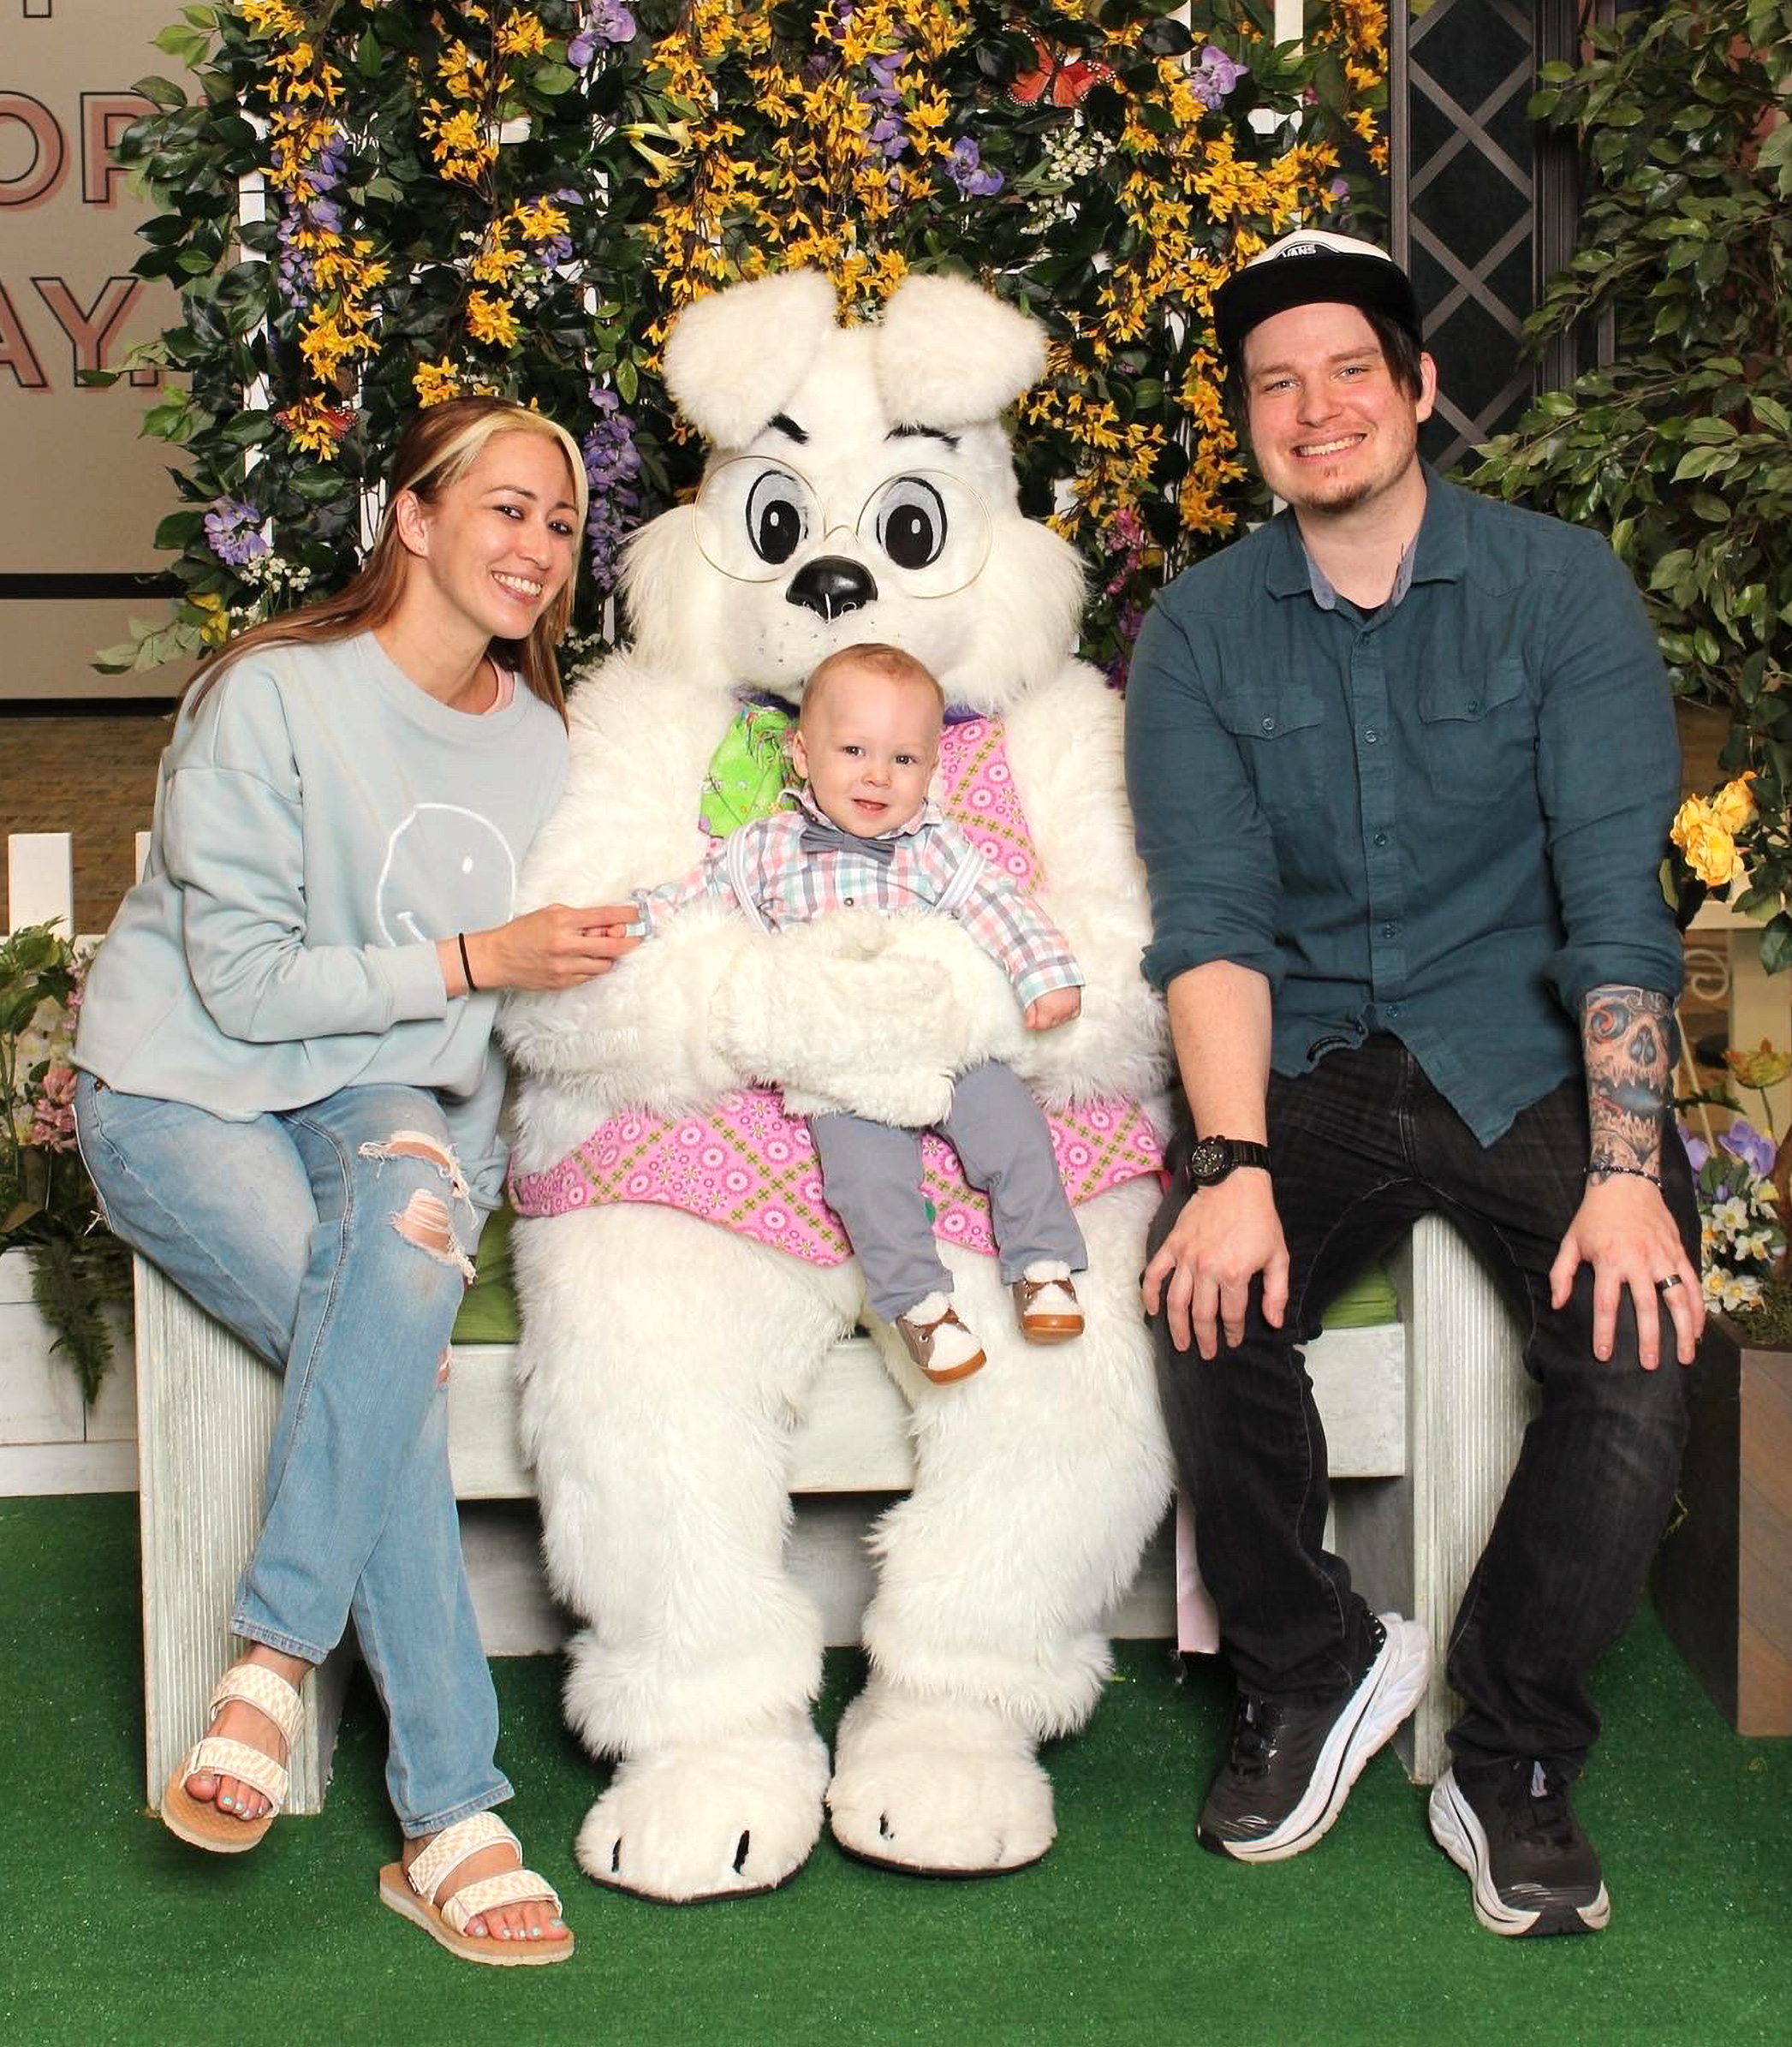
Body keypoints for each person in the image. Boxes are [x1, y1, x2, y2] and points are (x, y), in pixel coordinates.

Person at [1123, 229, 1703, 1938]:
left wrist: (1618, 1167)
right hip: (1300, 1053)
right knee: (1201, 1292)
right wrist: (1227, 1157)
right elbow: (1212, 920)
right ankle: (1309, 1665)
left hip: (1516, 1047)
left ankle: (1508, 1748)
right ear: (1246, 421)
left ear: (1417, 387)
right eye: (1272, 384)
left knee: (1636, 1335)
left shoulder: (1555, 587)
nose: (1312, 410)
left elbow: (1612, 902)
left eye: (1346, 371)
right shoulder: (1203, 630)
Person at [72, 396, 640, 1967]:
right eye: (506, 509)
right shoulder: (270, 698)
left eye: (558, 522)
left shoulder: (543, 749)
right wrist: (476, 955)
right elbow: (243, 986)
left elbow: (528, 1003)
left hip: (371, 1099)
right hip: (185, 1087)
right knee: (379, 1386)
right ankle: (451, 1808)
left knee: (397, 1246)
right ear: (413, 516)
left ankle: (267, 1664)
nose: (536, 547)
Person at [627, 640, 1087, 1381]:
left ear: (931, 770)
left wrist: (1044, 976)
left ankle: (1041, 1262)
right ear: (803, 754)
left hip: (936, 1039)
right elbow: (691, 899)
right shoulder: (766, 847)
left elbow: (1002, 907)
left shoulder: (938, 847)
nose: (877, 774)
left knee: (1012, 1130)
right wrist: (628, 924)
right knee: (866, 1180)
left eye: (903, 759)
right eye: (853, 750)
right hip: (840, 1060)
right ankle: (920, 1306)